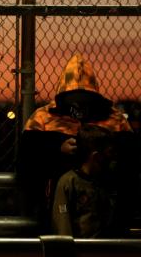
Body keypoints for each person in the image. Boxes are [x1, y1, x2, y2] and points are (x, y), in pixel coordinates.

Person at [17, 53, 137, 235]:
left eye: (85, 96)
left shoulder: (115, 118)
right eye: (74, 95)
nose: (79, 102)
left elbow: (131, 160)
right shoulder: (43, 116)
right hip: (57, 200)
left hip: (105, 200)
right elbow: (26, 157)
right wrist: (57, 148)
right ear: (64, 95)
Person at [52, 124, 119, 237]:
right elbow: (63, 223)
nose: (113, 157)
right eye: (110, 152)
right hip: (81, 249)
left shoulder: (107, 181)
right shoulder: (69, 182)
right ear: (96, 156)